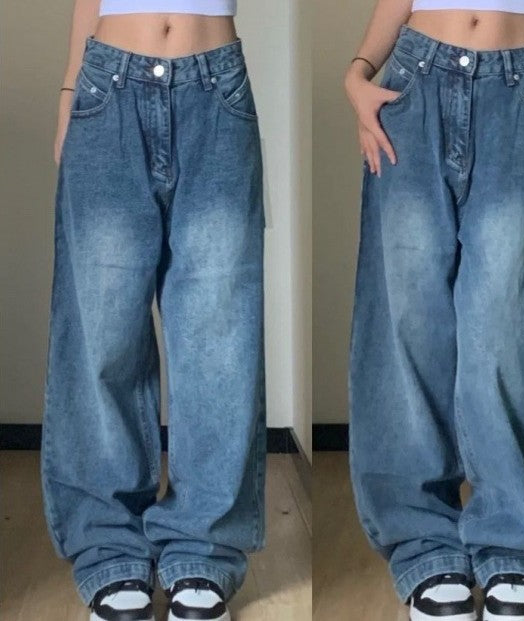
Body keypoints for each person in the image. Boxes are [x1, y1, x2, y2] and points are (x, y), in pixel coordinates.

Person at [345, 1, 524, 620]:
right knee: (408, 324)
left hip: (516, 86)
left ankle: (514, 545)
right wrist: (359, 71)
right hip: (414, 85)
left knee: (508, 325)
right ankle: (424, 545)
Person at [40, 1, 265, 620]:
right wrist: (70, 90)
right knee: (103, 334)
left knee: (218, 340)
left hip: (215, 87)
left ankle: (204, 550)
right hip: (106, 86)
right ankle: (110, 552)